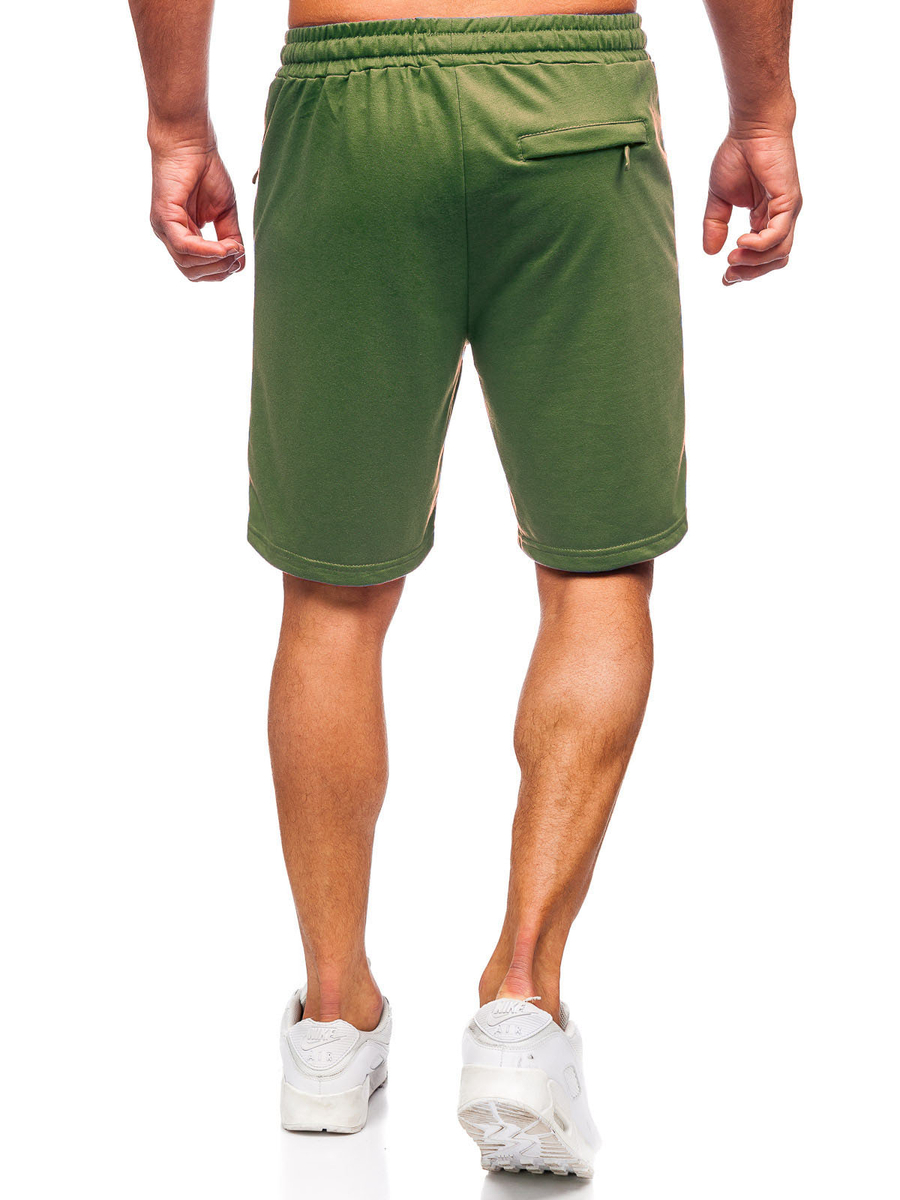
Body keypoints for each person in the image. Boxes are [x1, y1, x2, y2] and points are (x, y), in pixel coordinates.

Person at [128, 0, 801, 1177]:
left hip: (350, 101)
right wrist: (763, 109)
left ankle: (331, 1027)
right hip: (573, 100)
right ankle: (521, 1009)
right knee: (596, 568)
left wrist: (177, 123)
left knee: (333, 593)